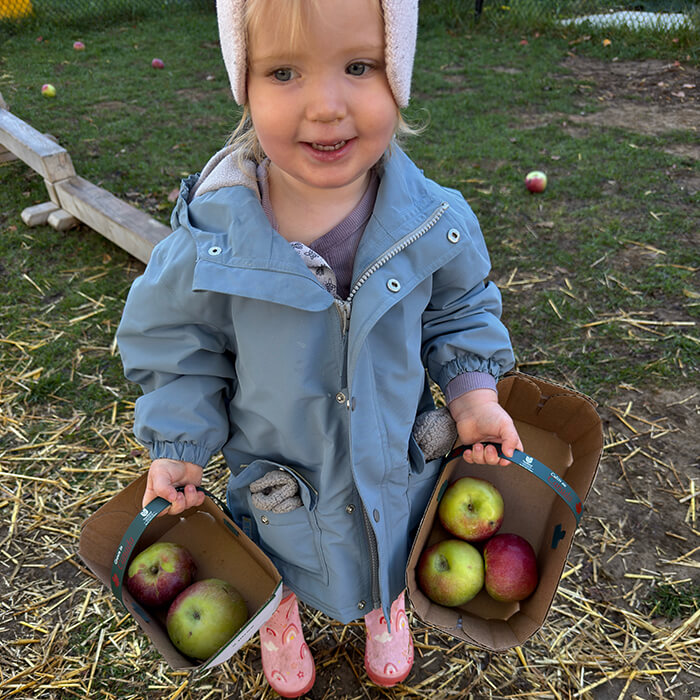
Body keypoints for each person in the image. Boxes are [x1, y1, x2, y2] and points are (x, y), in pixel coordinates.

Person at [116, 0, 522, 695]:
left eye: (358, 66)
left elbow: (460, 310)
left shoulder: (434, 224)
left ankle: (387, 605)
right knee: (278, 545)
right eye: (284, 72)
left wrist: (473, 392)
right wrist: (177, 444)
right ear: (244, 84)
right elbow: (178, 350)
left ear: (399, 74)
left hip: (390, 452)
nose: (325, 106)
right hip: (278, 471)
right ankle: (280, 613)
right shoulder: (212, 245)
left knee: (391, 533)